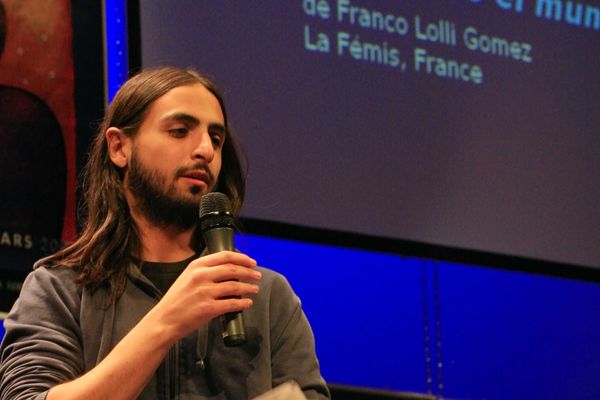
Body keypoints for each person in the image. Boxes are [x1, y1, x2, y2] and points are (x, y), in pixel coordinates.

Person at [0, 66, 330, 400]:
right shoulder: (60, 288)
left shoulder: (267, 296)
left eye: (216, 139)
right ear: (119, 148)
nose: (205, 150)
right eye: (179, 131)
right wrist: (167, 321)